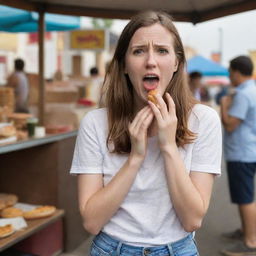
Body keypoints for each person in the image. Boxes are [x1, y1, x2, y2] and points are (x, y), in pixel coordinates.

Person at [70, 10, 222, 256]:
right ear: (125, 66)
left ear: (176, 63)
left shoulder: (204, 120)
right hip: (111, 249)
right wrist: (135, 158)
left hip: (178, 249)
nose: (151, 61)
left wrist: (169, 147)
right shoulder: (95, 123)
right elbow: (91, 222)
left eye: (162, 50)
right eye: (139, 50)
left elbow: (192, 220)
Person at [220, 56, 256, 255]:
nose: (228, 75)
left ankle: (250, 241)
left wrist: (225, 105)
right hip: (249, 150)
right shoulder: (252, 89)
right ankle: (245, 231)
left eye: (230, 71)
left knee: (245, 198)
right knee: (246, 196)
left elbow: (231, 125)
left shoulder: (242, 95)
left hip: (241, 153)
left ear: (236, 72)